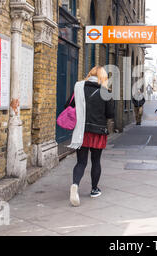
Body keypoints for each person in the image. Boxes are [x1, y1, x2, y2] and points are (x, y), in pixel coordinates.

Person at [67, 66, 114, 207]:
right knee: (96, 161)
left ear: (90, 74)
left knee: (81, 162)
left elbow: (68, 105)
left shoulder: (79, 87)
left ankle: (75, 184)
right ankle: (94, 189)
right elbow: (110, 114)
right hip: (98, 131)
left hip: (81, 130)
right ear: (103, 77)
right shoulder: (105, 91)